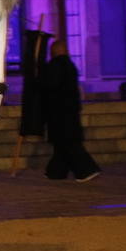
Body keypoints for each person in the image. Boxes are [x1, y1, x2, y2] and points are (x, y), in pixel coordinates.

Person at [39, 39, 100, 181]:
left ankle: (87, 170)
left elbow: (50, 86)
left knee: (69, 144)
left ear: (53, 51)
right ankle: (55, 172)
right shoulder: (70, 66)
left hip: (59, 112)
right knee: (62, 144)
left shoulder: (55, 66)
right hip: (70, 111)